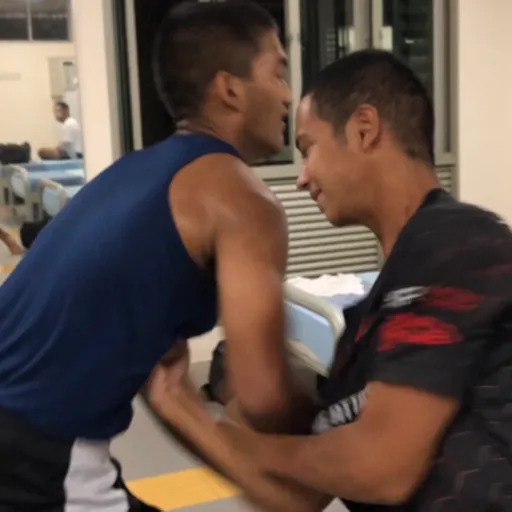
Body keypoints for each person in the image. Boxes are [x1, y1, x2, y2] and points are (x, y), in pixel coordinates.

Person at [163, 49, 512, 511]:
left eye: (309, 149)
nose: (302, 178)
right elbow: (301, 497)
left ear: (364, 129)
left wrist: (239, 444)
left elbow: (382, 468)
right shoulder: (368, 322)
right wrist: (180, 408)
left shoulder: (459, 243)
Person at [0, 2, 316, 510]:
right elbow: (263, 397)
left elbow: (167, 385)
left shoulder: (132, 173)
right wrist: (341, 416)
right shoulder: (241, 197)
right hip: (34, 455)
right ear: (229, 89)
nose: (286, 93)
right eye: (277, 72)